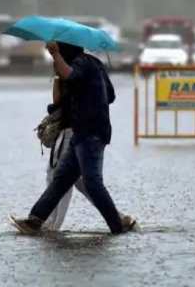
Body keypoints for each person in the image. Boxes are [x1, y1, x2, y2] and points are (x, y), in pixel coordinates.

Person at [10, 41, 135, 235]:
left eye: (60, 50)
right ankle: (35, 220)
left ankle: (118, 225)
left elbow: (72, 76)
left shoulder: (81, 64)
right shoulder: (93, 64)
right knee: (61, 179)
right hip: (82, 133)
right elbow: (109, 95)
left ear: (65, 50)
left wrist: (55, 55)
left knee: (92, 183)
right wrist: (75, 87)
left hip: (90, 133)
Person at [42, 76, 130, 231]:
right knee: (81, 182)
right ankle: (118, 217)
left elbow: (58, 102)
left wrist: (57, 80)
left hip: (70, 131)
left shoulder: (72, 72)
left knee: (58, 177)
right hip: (80, 132)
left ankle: (51, 224)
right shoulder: (86, 73)